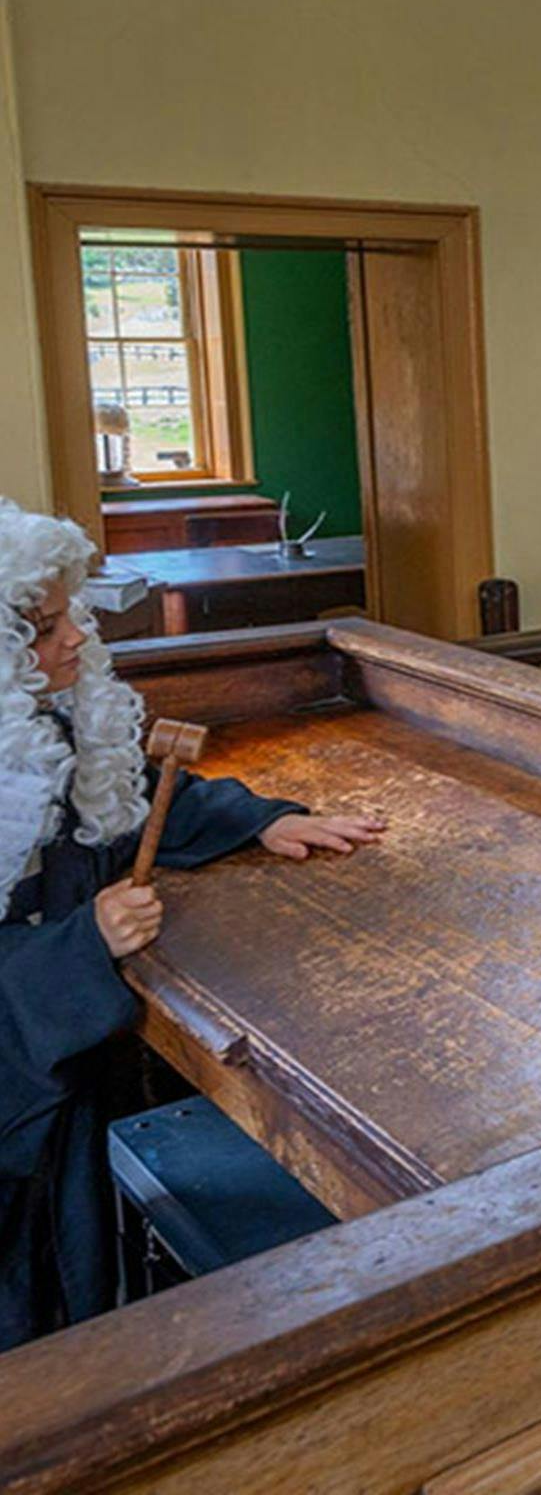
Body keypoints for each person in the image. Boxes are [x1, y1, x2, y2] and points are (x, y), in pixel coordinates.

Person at [0, 500, 384, 1352]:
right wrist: (82, 942)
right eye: (47, 626)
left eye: (71, 616)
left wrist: (256, 822)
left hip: (62, 1105)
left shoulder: (34, 733)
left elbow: (123, 808)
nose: (74, 639)